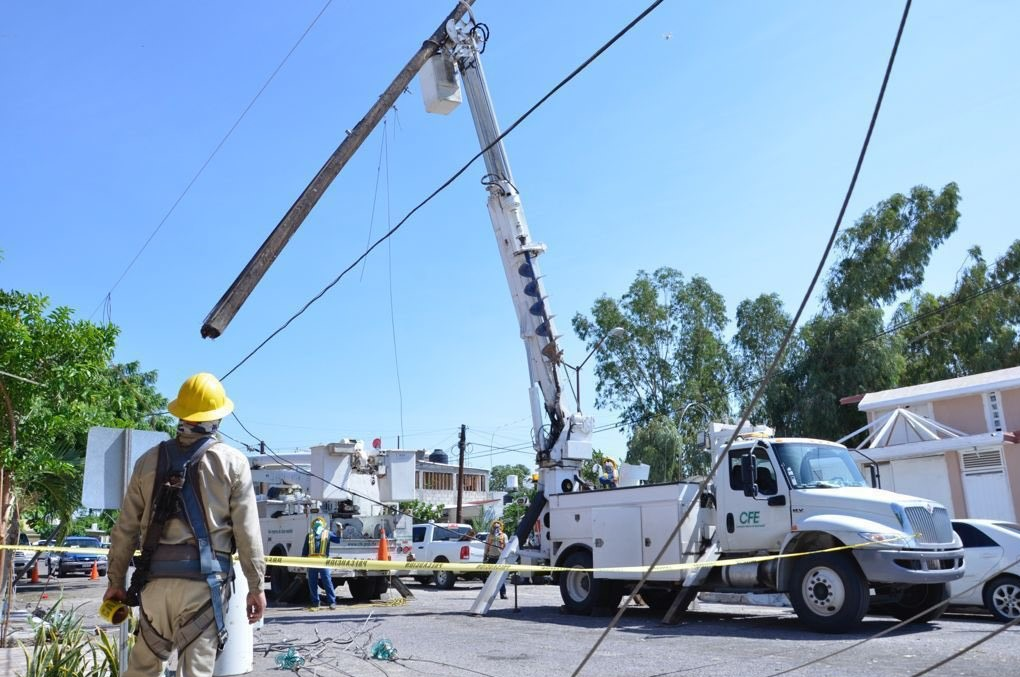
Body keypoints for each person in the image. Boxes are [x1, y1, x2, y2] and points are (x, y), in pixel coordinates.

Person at [105, 372, 266, 677]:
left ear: (180, 413)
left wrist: (115, 582)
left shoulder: (146, 462)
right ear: (217, 417)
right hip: (203, 590)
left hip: (154, 588)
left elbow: (124, 529)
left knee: (142, 670)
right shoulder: (232, 463)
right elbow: (247, 533)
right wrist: (256, 586)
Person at [302, 516, 338, 609]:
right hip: (312, 562)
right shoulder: (309, 535)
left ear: (323, 525)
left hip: (323, 562)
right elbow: (305, 550)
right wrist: (302, 562)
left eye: (319, 522)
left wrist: (340, 530)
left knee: (327, 581)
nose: (318, 523)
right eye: (316, 522)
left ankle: (332, 602)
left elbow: (338, 540)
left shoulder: (328, 534)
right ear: (313, 525)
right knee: (312, 582)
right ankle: (315, 602)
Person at [485, 521, 508, 599]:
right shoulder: (489, 536)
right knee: (491, 578)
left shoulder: (504, 536)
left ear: (500, 527)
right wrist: (485, 556)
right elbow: (486, 547)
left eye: (497, 527)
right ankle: (490, 594)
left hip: (500, 558)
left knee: (500, 577)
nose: (496, 529)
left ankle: (503, 593)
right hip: (491, 558)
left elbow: (507, 547)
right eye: (495, 527)